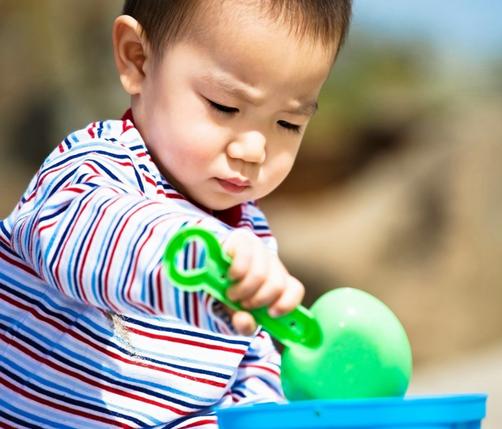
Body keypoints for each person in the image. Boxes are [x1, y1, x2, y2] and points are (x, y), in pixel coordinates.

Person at [0, 0, 352, 426]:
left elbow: (251, 370)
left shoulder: (253, 238)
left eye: (288, 124)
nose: (253, 151)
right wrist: (200, 262)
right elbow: (93, 240)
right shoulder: (92, 170)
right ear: (138, 60)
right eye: (225, 106)